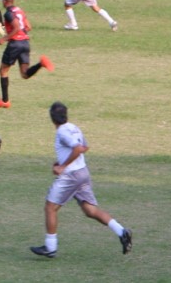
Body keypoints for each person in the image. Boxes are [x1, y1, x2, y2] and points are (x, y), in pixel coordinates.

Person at [30, 102, 132, 258]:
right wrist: (63, 160)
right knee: (90, 210)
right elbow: (84, 147)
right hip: (82, 172)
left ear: (52, 119)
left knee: (50, 207)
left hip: (71, 176)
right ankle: (122, 231)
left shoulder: (61, 132)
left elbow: (78, 149)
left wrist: (63, 165)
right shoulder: (73, 127)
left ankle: (50, 247)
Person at [0, 0, 54, 108]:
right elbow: (28, 27)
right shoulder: (19, 11)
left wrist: (4, 38)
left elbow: (16, 27)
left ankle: (5, 101)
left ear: (5, 2)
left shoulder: (8, 13)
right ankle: (41, 63)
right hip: (25, 43)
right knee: (24, 74)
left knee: (3, 71)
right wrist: (21, 35)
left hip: (15, 44)